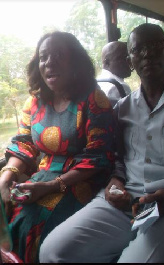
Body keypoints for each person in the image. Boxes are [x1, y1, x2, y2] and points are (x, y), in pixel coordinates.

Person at [39, 24, 164, 263]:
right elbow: (118, 158)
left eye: (155, 47)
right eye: (138, 50)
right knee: (53, 251)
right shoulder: (123, 107)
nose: (147, 54)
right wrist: (116, 180)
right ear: (130, 61)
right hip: (126, 202)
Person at [0, 31, 115, 263]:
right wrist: (6, 176)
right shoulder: (34, 101)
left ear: (75, 62)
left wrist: (53, 185)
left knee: (33, 223)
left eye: (58, 55)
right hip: (42, 176)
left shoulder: (93, 99)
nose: (49, 63)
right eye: (44, 57)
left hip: (80, 180)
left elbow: (99, 156)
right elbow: (24, 144)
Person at [97, 41, 132, 106]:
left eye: (129, 57)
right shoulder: (118, 87)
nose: (129, 61)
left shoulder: (99, 81)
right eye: (123, 58)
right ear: (107, 63)